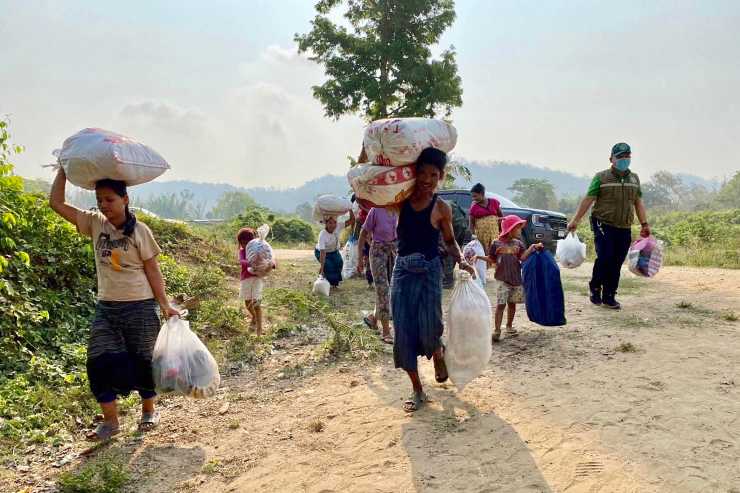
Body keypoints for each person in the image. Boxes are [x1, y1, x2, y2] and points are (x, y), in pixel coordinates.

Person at [49, 168, 180, 441]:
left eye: (109, 199)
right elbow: (56, 204)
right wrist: (63, 170)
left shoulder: (141, 231)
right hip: (107, 308)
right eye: (99, 199)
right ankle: (111, 422)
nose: (103, 205)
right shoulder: (95, 223)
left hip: (140, 306)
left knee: (144, 361)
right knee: (97, 362)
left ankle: (148, 410)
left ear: (125, 199)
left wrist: (165, 304)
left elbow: (153, 271)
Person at [392, 148, 476, 412]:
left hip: (429, 271)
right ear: (414, 174)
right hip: (402, 272)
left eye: (434, 175)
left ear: (440, 177)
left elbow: (450, 241)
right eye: (423, 173)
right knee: (403, 333)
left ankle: (437, 352)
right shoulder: (400, 201)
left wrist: (462, 260)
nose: (428, 179)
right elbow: (366, 196)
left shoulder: (442, 208)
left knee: (430, 326)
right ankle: (417, 390)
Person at [567, 142, 650, 309]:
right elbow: (588, 199)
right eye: (620, 157)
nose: (624, 159)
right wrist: (576, 220)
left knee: (617, 261)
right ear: (611, 159)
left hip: (624, 226)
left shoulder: (634, 179)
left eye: (627, 156)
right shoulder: (601, 177)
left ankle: (609, 295)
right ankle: (595, 287)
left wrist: (644, 224)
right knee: (605, 257)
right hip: (603, 223)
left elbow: (638, 202)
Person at [478, 215, 543, 343]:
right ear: (510, 229)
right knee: (501, 305)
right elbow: (491, 259)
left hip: (515, 279)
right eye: (518, 228)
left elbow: (523, 257)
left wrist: (532, 247)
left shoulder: (518, 244)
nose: (520, 231)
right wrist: (479, 257)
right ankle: (497, 330)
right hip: (502, 279)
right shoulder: (496, 244)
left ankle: (509, 326)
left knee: (512, 304)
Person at [357, 207, 398, 344]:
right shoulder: (375, 211)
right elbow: (363, 234)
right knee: (383, 289)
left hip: (393, 251)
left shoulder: (398, 210)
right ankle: (386, 331)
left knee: (391, 289)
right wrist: (359, 260)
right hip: (377, 252)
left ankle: (373, 318)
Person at [238, 227, 276, 336]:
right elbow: (241, 261)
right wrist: (251, 262)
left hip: (257, 279)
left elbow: (270, 257)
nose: (244, 245)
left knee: (256, 303)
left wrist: (271, 264)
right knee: (247, 303)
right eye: (242, 243)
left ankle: (259, 329)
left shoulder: (260, 250)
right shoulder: (242, 251)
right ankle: (254, 317)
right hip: (245, 279)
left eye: (246, 242)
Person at [469, 183, 503, 253]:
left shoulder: (494, 202)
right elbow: (471, 224)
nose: (474, 199)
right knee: (484, 253)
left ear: (482, 193)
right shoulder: (474, 206)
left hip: (494, 234)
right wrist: (473, 235)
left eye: (475, 196)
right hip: (481, 236)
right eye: (472, 197)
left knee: (494, 252)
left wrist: (501, 231)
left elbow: (501, 217)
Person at [315, 216, 344, 288]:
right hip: (321, 252)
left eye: (334, 222)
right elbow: (322, 253)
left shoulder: (338, 227)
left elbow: (352, 220)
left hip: (334, 251)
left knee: (339, 262)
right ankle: (326, 279)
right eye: (330, 223)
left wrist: (350, 209)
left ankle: (334, 282)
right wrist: (322, 269)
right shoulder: (322, 234)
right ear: (326, 224)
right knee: (328, 266)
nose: (333, 225)